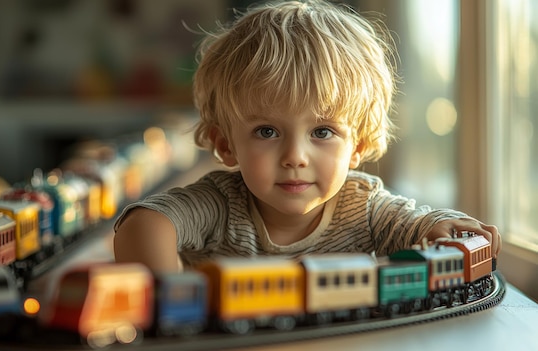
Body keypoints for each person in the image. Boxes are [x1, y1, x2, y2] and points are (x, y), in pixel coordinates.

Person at [113, 0, 501, 273]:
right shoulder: (218, 203)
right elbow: (145, 224)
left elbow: (417, 222)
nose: (294, 156)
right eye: (266, 131)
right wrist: (168, 297)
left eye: (322, 131)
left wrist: (444, 225)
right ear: (226, 144)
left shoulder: (363, 208)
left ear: (359, 145)